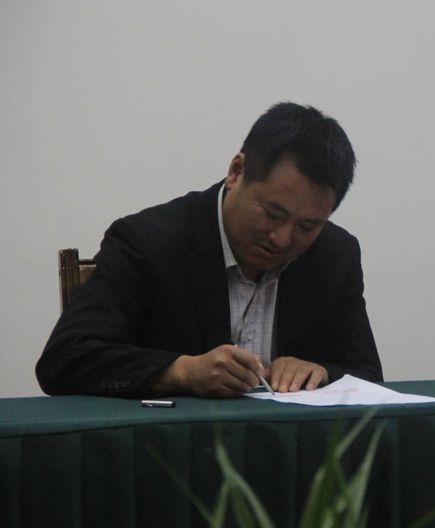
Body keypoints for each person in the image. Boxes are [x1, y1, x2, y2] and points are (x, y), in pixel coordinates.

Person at [37, 102, 382, 397]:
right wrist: (179, 371)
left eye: (307, 227)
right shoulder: (147, 243)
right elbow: (64, 361)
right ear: (236, 171)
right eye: (272, 214)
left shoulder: (336, 254)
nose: (282, 238)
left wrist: (323, 372)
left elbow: (368, 376)